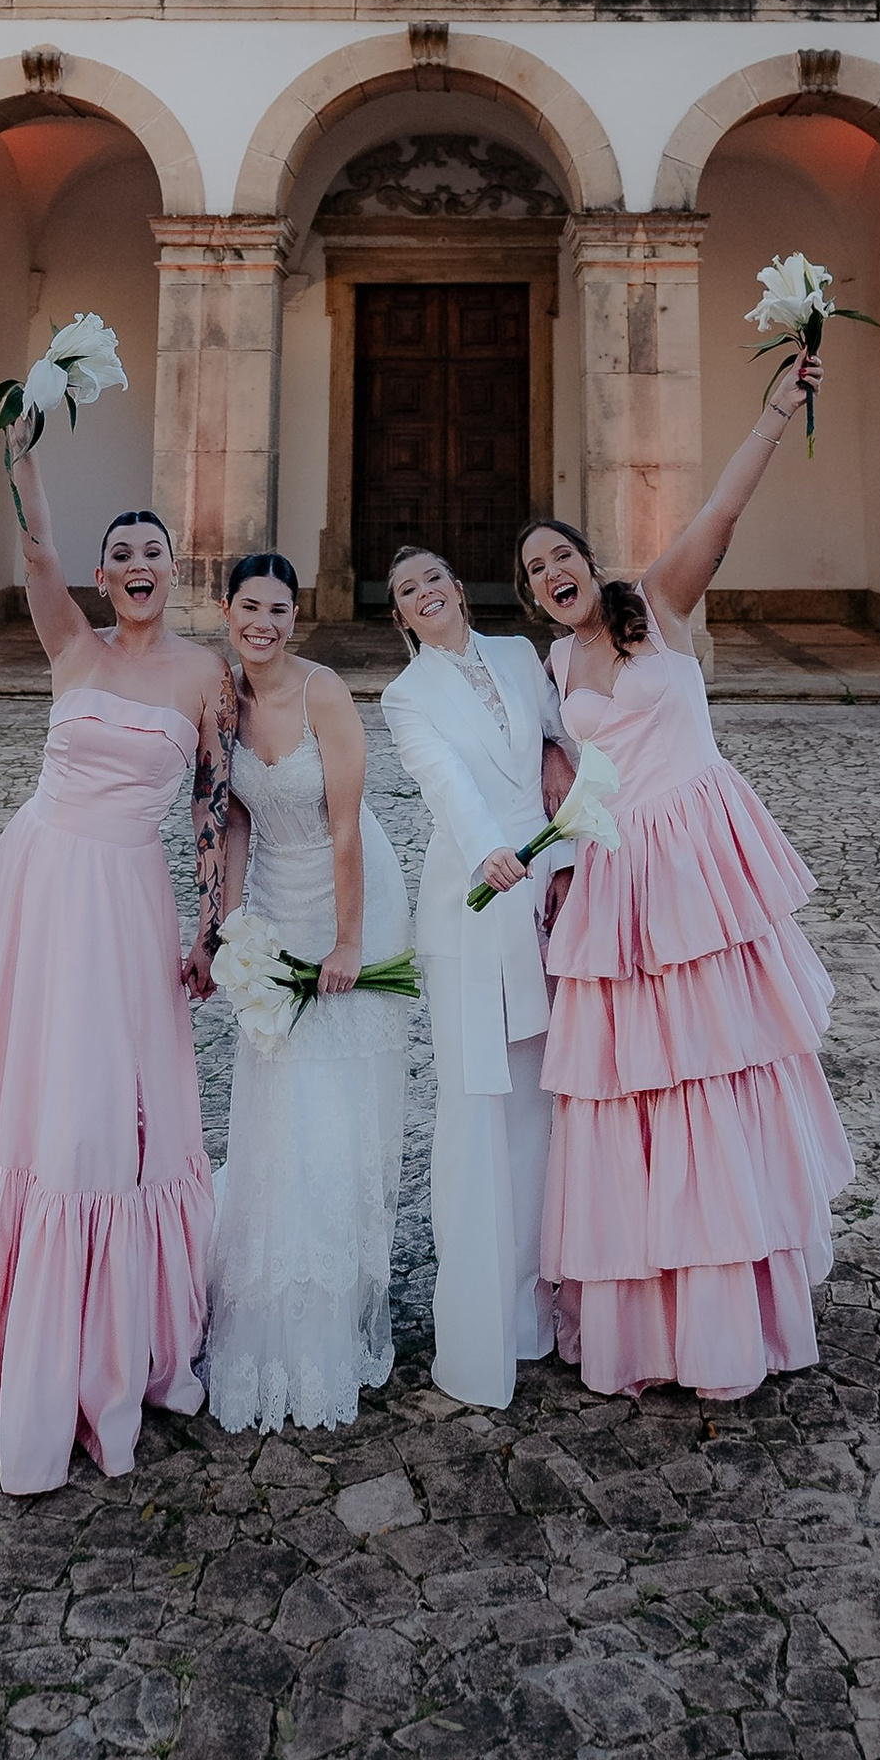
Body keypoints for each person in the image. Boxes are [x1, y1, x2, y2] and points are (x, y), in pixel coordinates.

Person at [0, 453, 236, 1493]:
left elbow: (211, 806)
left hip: (123, 898)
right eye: (120, 554)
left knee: (101, 1108)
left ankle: (101, 1336)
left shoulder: (204, 676)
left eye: (152, 551)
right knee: (16, 1087)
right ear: (103, 576)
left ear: (173, 569)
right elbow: (33, 548)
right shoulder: (70, 640)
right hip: (33, 881)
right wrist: (21, 456)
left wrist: (213, 929)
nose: (136, 564)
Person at [521, 352, 854, 1404]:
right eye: (532, 572)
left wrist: (772, 412)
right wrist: (551, 872)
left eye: (560, 556)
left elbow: (720, 510)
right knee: (636, 1093)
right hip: (623, 886)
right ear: (531, 597)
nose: (550, 575)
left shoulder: (651, 606)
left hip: (702, 867)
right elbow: (555, 787)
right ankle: (650, 1314)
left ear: (589, 561)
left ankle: (736, 1303)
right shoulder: (551, 673)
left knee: (720, 1074)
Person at [199, 552, 414, 1432]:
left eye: (279, 608)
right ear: (226, 609)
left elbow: (344, 826)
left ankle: (332, 1299)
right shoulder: (222, 700)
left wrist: (351, 944)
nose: (264, 622)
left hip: (350, 894)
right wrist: (228, 928)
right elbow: (236, 817)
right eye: (249, 606)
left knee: (335, 1098)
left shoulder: (325, 691)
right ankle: (273, 1282)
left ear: (296, 615)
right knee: (276, 1094)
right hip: (275, 907)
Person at [379, 543, 576, 1410]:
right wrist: (489, 852)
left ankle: (538, 1314)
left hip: (548, 898)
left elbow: (557, 756)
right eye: (405, 591)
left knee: (539, 1107)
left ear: (460, 589)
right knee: (475, 1109)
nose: (423, 594)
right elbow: (444, 784)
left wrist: (564, 858)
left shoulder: (519, 657)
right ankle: (475, 1332)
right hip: (471, 903)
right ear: (400, 617)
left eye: (433, 579)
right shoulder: (404, 695)